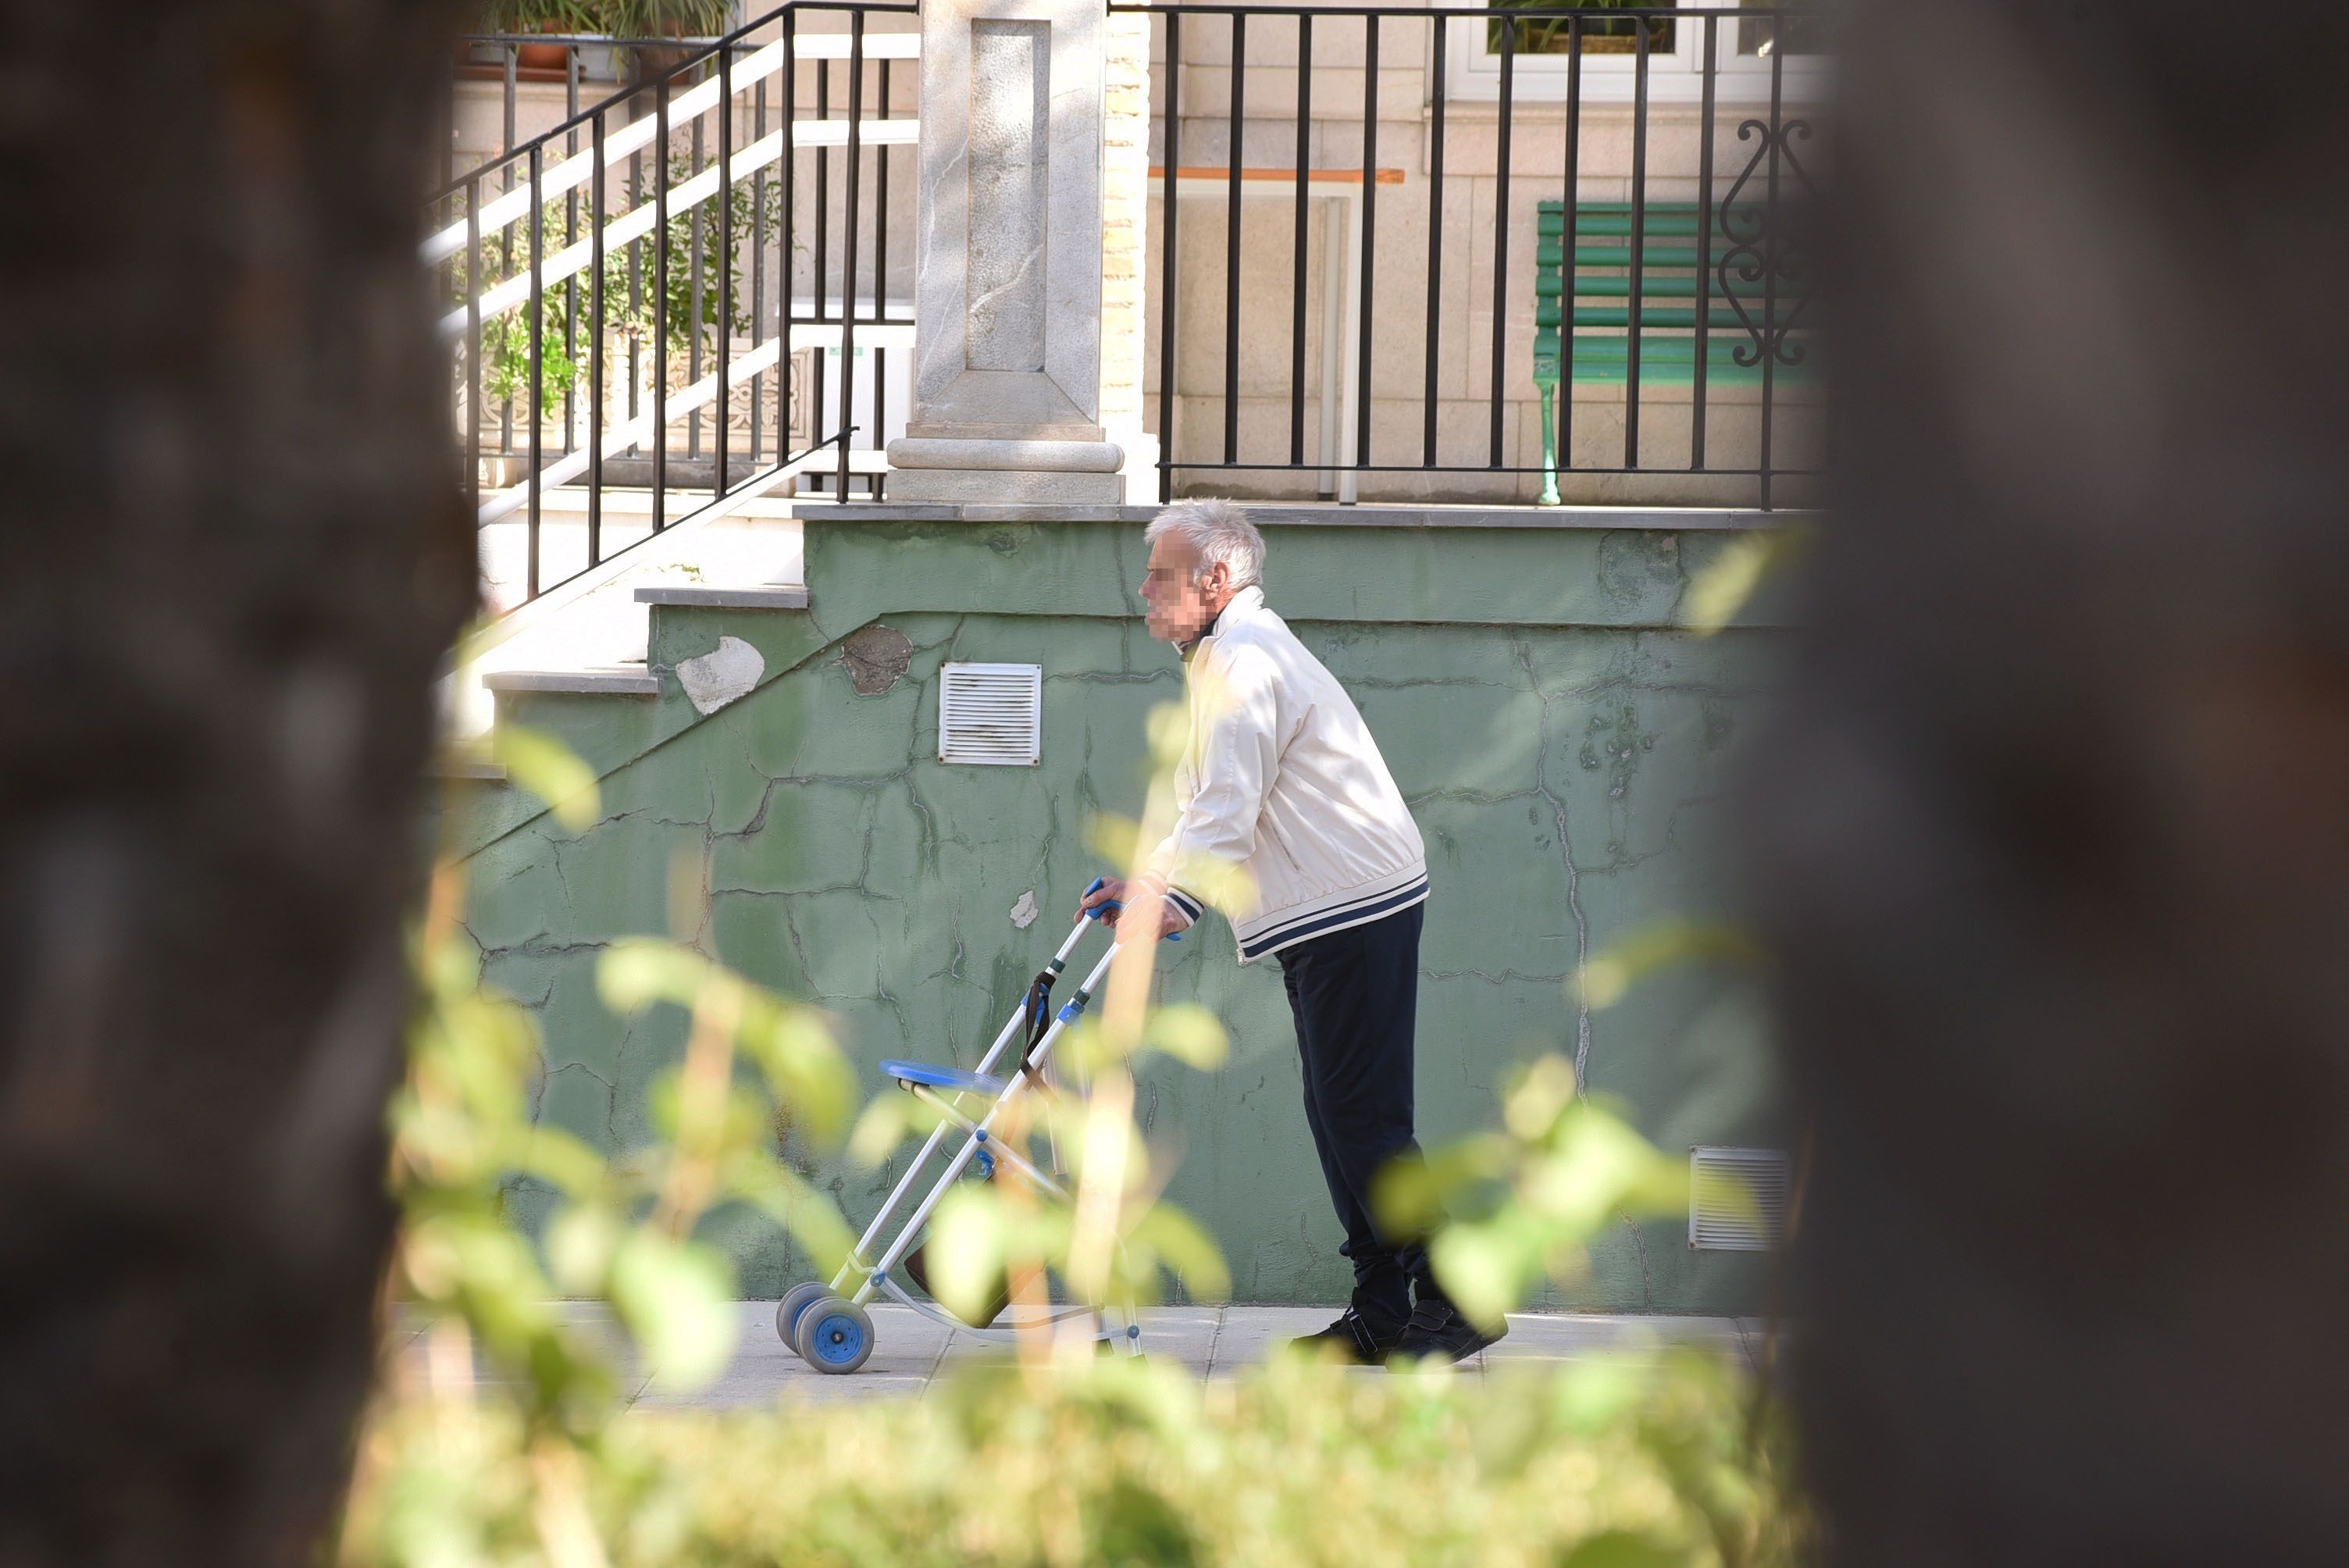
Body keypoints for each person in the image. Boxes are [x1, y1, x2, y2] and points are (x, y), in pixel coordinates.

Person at [1075, 499, 1504, 1365]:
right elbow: (1204, 803)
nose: (1143, 589)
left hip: (1352, 904)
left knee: (1363, 1119)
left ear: (1216, 580)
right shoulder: (1223, 657)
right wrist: (1151, 880)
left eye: (1160, 574)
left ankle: (1455, 1295)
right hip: (1335, 906)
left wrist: (1173, 904)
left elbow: (1227, 811)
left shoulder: (1243, 662)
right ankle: (1382, 1312)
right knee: (1339, 1114)